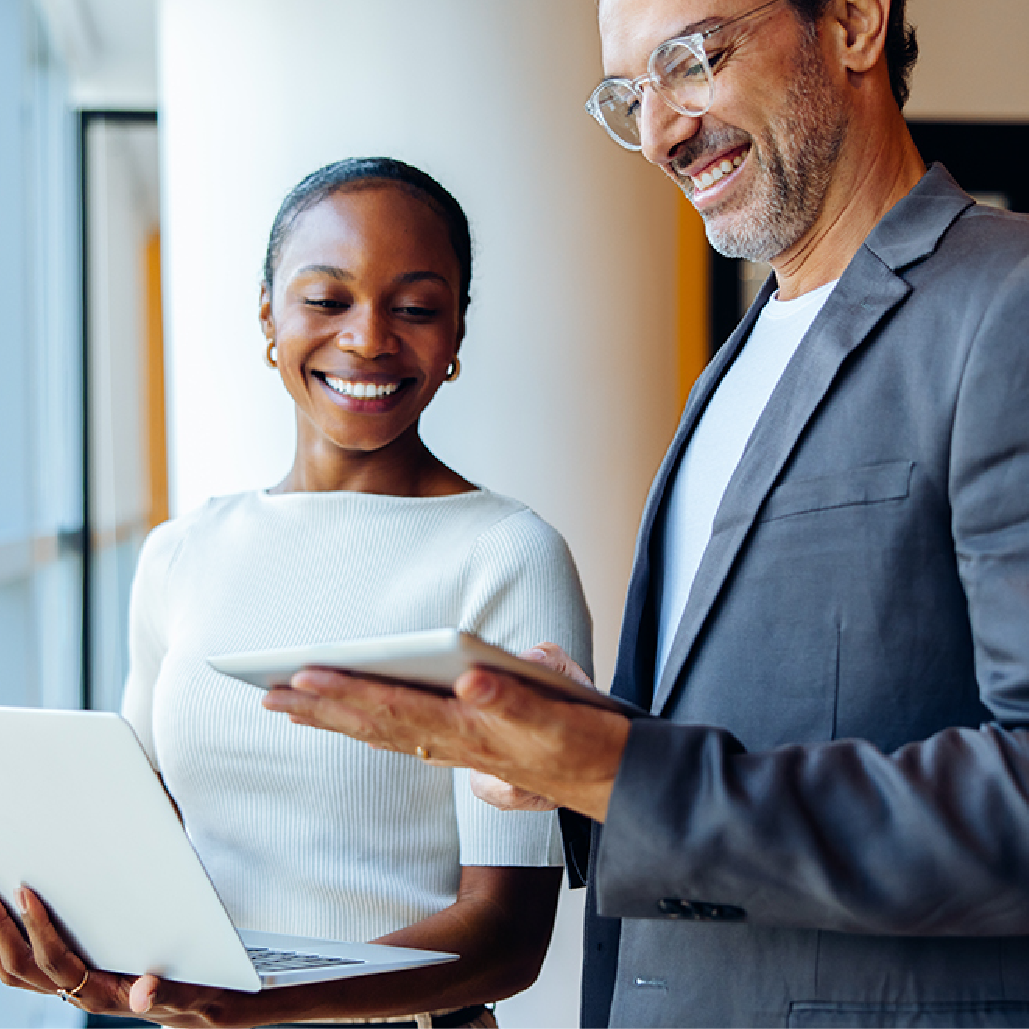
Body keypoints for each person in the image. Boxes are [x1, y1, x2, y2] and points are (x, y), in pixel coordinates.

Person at [264, 0, 1029, 1027]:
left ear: (853, 20)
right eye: (627, 94)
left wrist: (625, 770)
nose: (659, 131)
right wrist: (574, 747)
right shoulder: (737, 365)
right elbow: (748, 748)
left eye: (691, 60)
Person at [0, 157, 592, 1028]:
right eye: (326, 299)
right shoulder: (179, 553)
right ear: (268, 316)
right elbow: (152, 850)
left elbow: (508, 934)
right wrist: (77, 957)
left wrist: (264, 1000)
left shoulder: (506, 553)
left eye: (417, 307)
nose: (367, 338)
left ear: (457, 333)